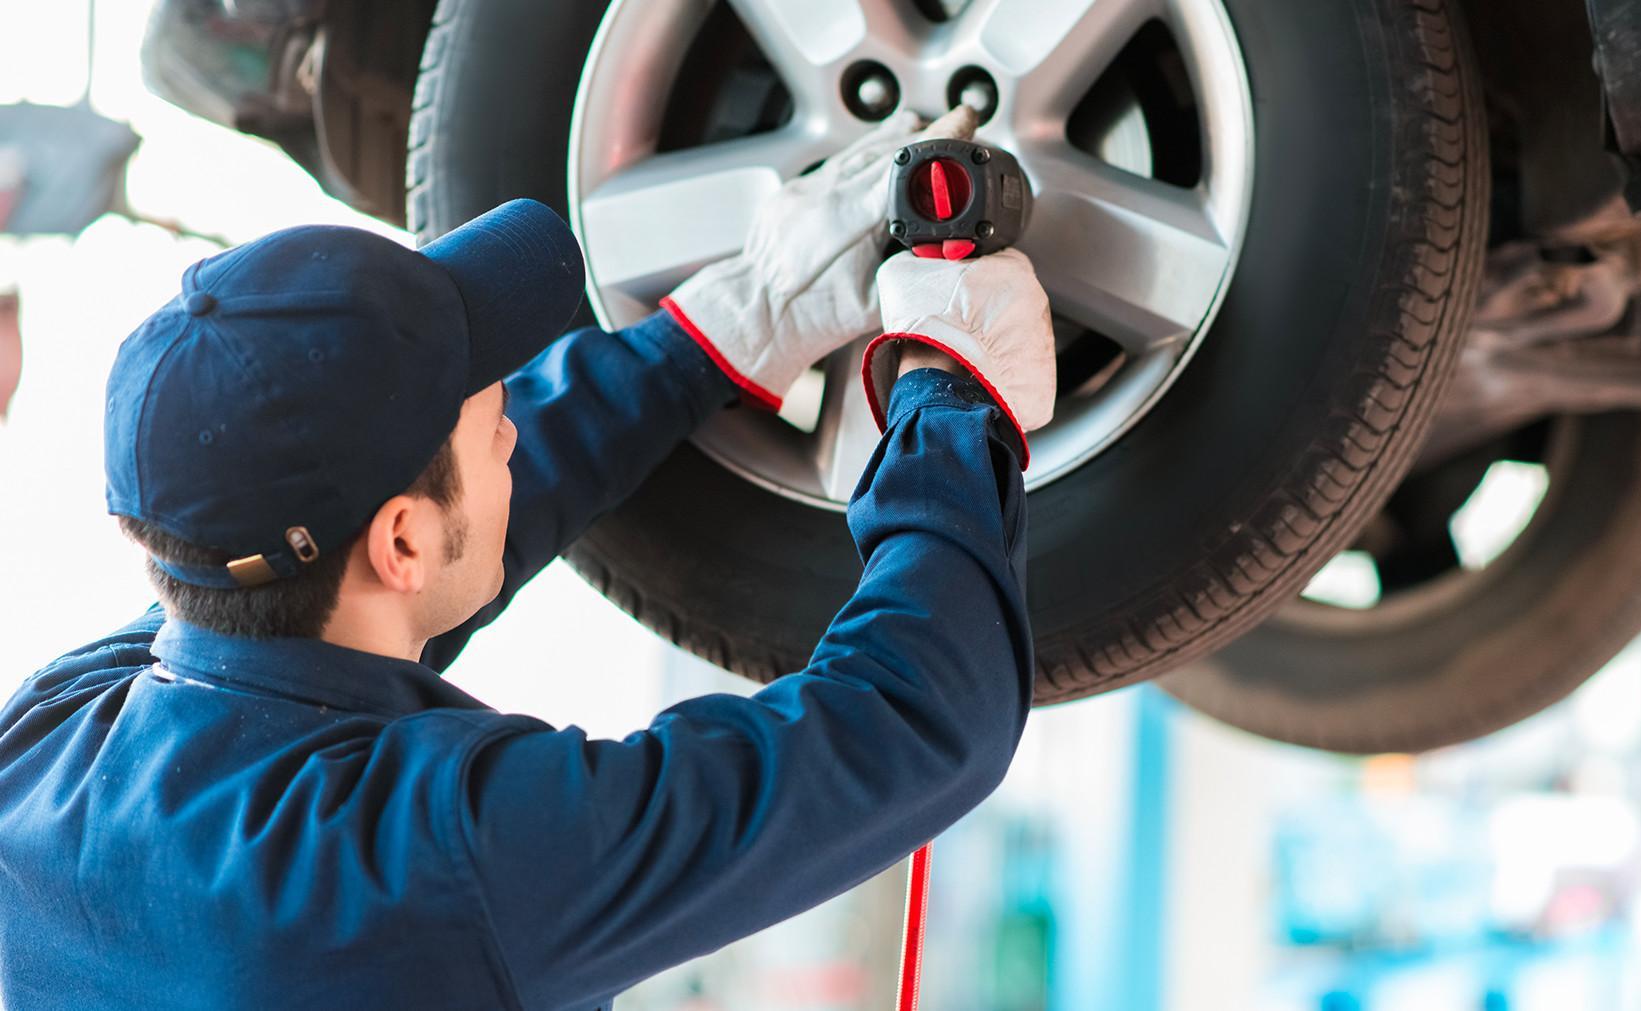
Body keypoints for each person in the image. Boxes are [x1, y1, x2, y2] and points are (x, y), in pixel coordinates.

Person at [0, 106, 1056, 1008]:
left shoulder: (46, 747)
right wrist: (949, 398)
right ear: (401, 542)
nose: (513, 424)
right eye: (488, 412)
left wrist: (710, 339)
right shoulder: (440, 864)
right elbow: (914, 725)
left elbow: (364, 580)